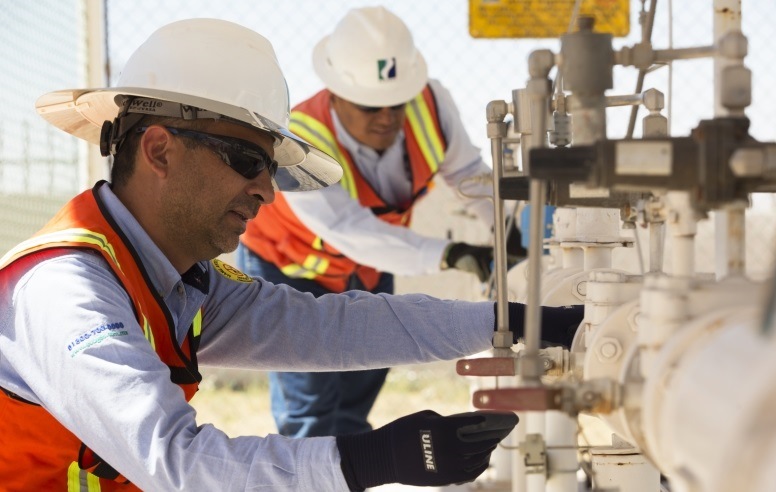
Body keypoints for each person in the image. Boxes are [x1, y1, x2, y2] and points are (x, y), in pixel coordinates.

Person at [0, 18, 584, 491]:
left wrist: (526, 321)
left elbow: (331, 326)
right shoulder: (68, 290)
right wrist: (371, 459)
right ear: (159, 150)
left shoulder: (181, 282)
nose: (268, 191)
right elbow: (176, 462)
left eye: (271, 168)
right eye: (250, 162)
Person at [239, 5, 505, 439]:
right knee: (311, 402)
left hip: (368, 265)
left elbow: (468, 176)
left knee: (362, 381)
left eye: (396, 103)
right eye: (370, 106)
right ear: (336, 93)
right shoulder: (300, 139)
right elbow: (350, 230)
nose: (387, 118)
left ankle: (346, 473)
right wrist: (449, 253)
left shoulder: (432, 105)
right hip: (289, 266)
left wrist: (508, 226)